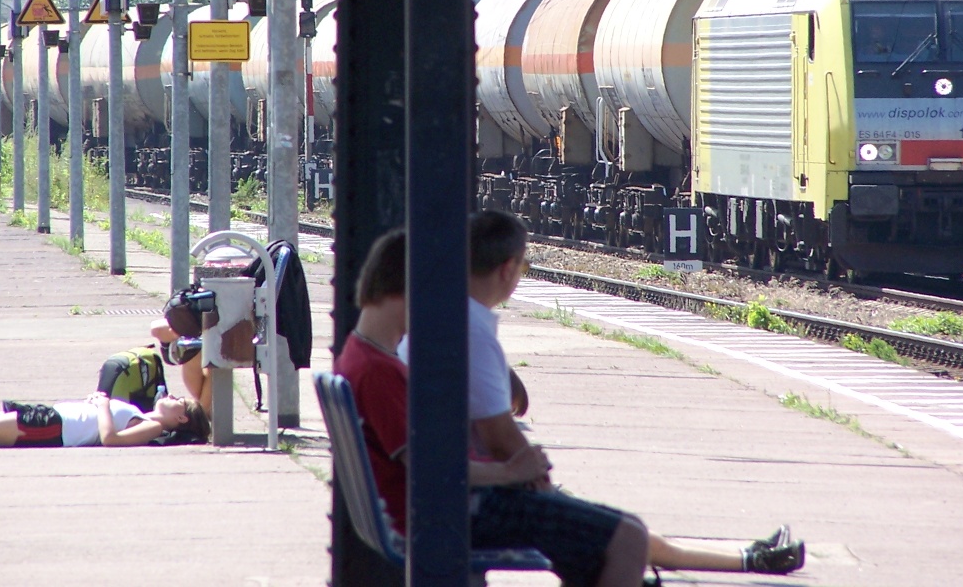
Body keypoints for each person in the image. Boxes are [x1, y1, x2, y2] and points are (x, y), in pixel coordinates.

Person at [339, 228, 803, 587]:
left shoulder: (364, 359)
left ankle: (746, 558)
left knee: (608, 533)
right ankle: (747, 559)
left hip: (439, 505)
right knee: (623, 537)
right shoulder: (380, 370)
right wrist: (509, 471)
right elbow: (427, 465)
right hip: (450, 512)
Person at [0, 390, 209, 449]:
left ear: (180, 418)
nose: (171, 397)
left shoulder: (152, 427)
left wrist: (103, 405)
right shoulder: (141, 413)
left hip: (53, 428)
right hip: (51, 417)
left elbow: (111, 439)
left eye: (179, 401)